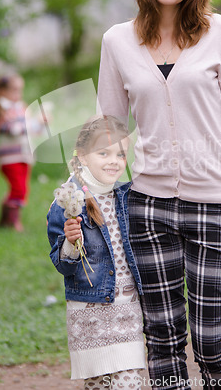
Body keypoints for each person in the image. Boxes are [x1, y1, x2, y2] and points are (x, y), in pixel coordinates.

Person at [97, 0, 221, 390]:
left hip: (216, 205)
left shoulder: (219, 32)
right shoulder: (118, 41)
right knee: (163, 341)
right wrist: (84, 192)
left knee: (212, 345)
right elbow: (108, 127)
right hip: (148, 208)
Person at [47, 116, 146, 390]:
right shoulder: (66, 201)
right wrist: (70, 242)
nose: (113, 161)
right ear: (82, 156)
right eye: (104, 153)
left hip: (127, 311)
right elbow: (63, 265)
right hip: (90, 316)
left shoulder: (126, 195)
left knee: (130, 384)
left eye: (120, 154)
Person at [0, 74, 38, 231]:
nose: (18, 94)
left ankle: (5, 219)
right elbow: (11, 129)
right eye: (14, 90)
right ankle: (13, 222)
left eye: (20, 90)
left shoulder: (21, 108)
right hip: (10, 158)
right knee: (19, 189)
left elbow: (32, 130)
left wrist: (41, 123)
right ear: (2, 92)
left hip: (23, 155)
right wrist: (29, 125)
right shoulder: (3, 110)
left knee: (22, 188)